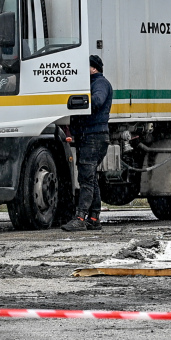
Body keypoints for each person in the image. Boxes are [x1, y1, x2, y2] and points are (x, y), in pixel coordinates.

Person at [64, 55, 113, 231]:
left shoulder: (100, 83)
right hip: (91, 136)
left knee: (86, 178)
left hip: (94, 136)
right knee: (90, 178)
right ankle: (94, 217)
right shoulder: (94, 83)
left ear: (94, 68)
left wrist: (81, 101)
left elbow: (98, 101)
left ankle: (80, 217)